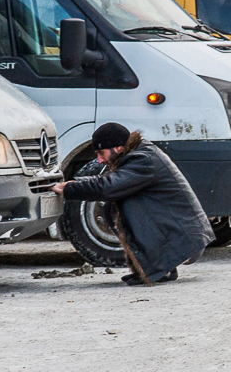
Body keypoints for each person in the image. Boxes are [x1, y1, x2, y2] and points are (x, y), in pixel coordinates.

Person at [51, 122, 215, 286]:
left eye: (101, 153)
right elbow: (109, 183)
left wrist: (69, 188)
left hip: (185, 242)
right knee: (118, 204)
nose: (99, 160)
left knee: (126, 204)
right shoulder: (139, 155)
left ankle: (161, 267)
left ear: (119, 148)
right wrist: (75, 183)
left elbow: (108, 186)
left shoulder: (143, 160)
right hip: (185, 237)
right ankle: (153, 267)